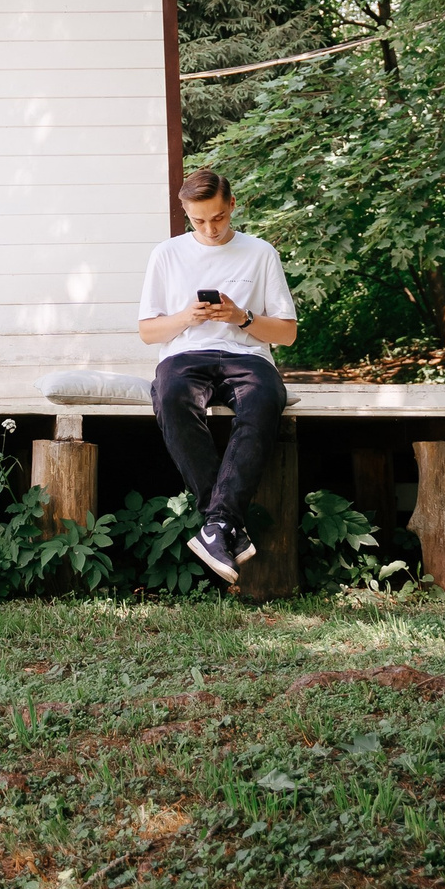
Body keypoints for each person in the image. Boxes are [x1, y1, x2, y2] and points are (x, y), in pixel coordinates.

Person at [137, 168, 300, 583]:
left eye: (218, 218)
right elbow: (147, 331)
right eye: (198, 220)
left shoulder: (261, 253)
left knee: (265, 398)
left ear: (232, 205)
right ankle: (225, 524)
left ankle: (215, 524)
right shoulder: (166, 254)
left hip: (246, 356)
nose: (210, 229)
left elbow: (287, 333)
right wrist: (185, 317)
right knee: (171, 395)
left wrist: (241, 317)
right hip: (185, 355)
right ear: (186, 214)